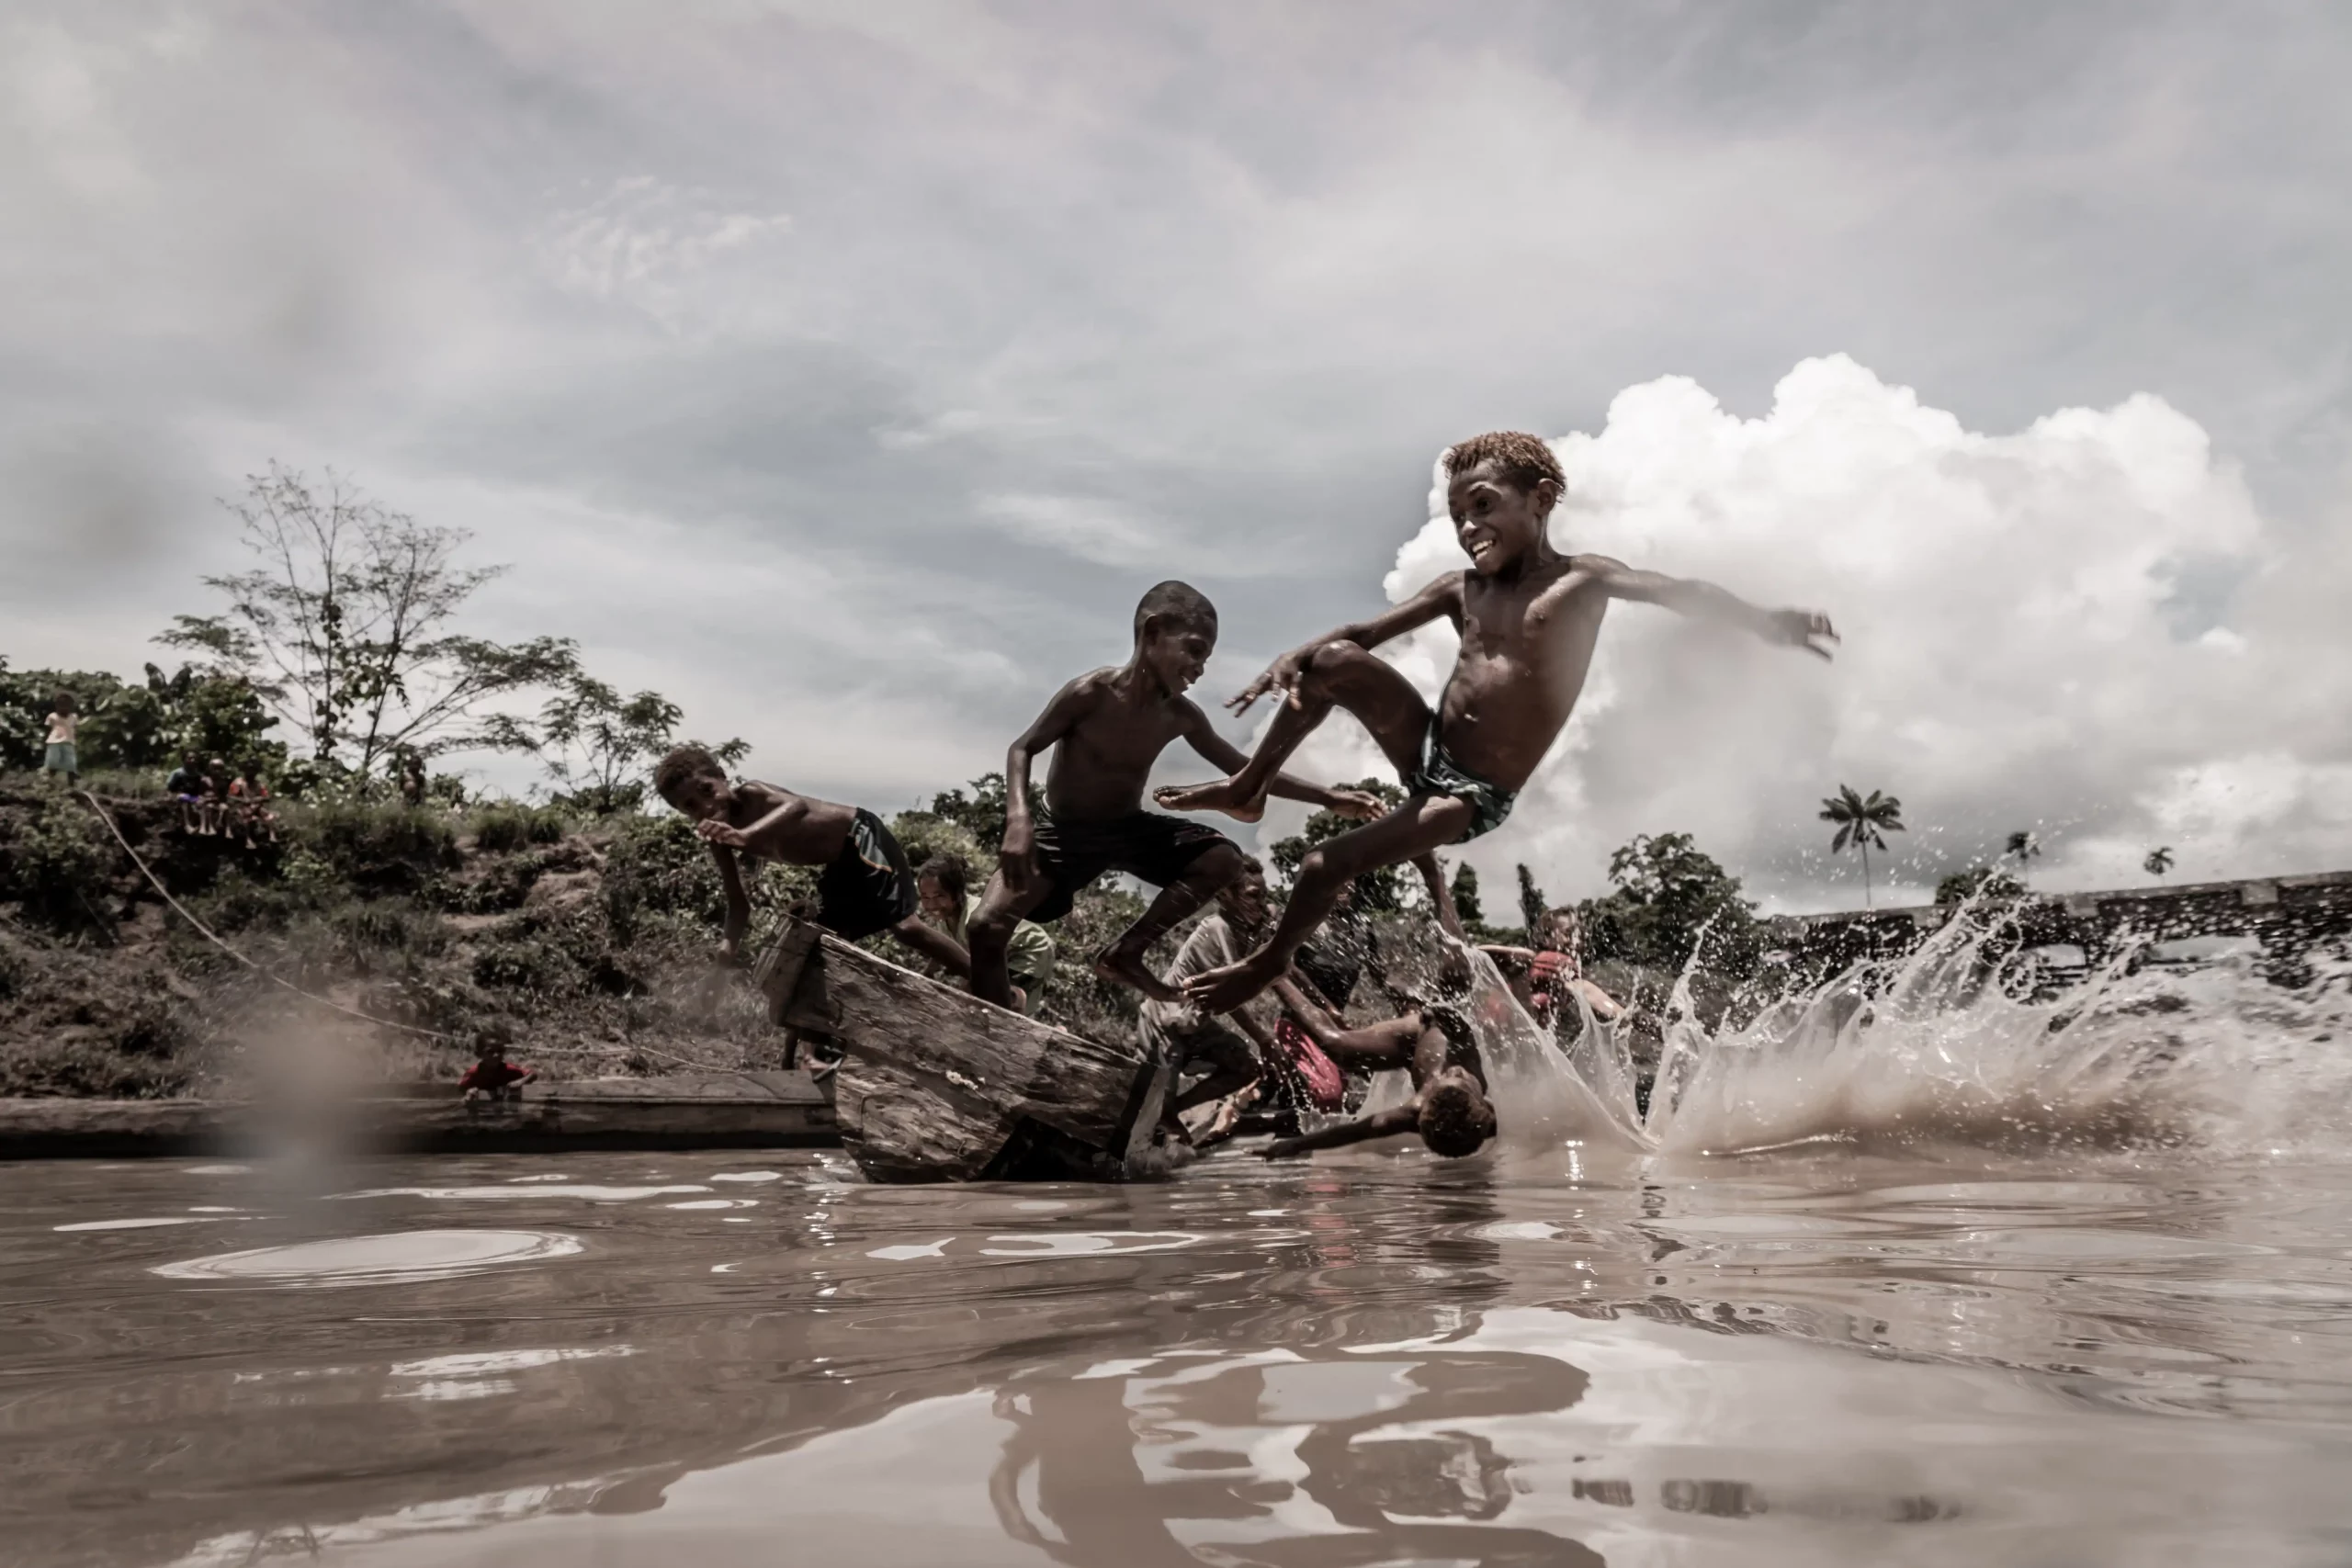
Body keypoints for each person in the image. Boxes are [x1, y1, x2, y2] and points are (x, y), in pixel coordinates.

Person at [1161, 431, 1837, 1011]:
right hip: (1425, 742)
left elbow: (1678, 591)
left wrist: (1763, 619)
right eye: (1457, 513)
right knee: (1333, 659)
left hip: (1469, 794)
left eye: (1482, 505)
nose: (1466, 526)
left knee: (1317, 866)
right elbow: (1365, 630)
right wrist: (1294, 658)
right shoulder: (1465, 588)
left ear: (1540, 499)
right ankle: (1251, 785)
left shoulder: (1582, 581)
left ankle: (1271, 960)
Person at [967, 580, 1382, 1009]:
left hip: (1125, 831)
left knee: (1222, 858)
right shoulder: (1091, 693)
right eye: (1195, 650)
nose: (1200, 668)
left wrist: (1329, 798)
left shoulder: (1179, 715)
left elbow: (1247, 769)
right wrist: (1019, 820)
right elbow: (1023, 747)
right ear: (1152, 634)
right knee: (985, 927)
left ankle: (1127, 952)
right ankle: (997, 1013)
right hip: (1063, 834)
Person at [650, 745, 968, 975]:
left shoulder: (753, 794)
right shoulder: (719, 842)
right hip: (839, 866)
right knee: (815, 947)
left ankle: (989, 983)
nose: (706, 806)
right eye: (691, 806)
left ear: (722, 777)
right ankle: (815, 1052)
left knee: (905, 928)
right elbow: (738, 905)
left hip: (860, 835)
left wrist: (746, 837)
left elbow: (797, 807)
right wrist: (725, 950)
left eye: (708, 790)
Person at [1264, 855, 1497, 1160]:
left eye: (1446, 1081)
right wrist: (1444, 1007)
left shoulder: (1413, 1113)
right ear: (1488, 1108)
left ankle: (1272, 972)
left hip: (1408, 1044)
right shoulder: (1489, 1115)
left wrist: (1295, 1145)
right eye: (1461, 1078)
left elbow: (1357, 1130)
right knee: (1455, 974)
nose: (1452, 1070)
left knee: (1338, 1049)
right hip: (1436, 1027)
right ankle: (1432, 872)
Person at [1135, 854, 1286, 1145]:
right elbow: (1231, 992)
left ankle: (1174, 1111)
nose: (1260, 904)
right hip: (1164, 1022)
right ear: (1226, 896)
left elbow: (1274, 971)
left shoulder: (1249, 930)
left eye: (1264, 896)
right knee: (1154, 1108)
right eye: (1253, 896)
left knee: (1246, 1068)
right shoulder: (1217, 927)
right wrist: (1264, 1038)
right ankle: (1164, 1123)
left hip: (1195, 1024)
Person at [912, 854, 1057, 1015]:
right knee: (992, 1006)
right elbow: (941, 951)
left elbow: (976, 970)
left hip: (1028, 950)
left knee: (997, 1004)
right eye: (925, 897)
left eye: (940, 896)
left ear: (958, 894)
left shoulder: (972, 919)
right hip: (1005, 952)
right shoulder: (946, 918)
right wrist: (925, 976)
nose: (932, 905)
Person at [1482, 907, 1622, 1032]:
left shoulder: (1559, 972)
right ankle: (1628, 1018)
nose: (1576, 941)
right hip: (1504, 1026)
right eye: (1569, 934)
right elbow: (1585, 990)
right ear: (1546, 938)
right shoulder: (1541, 961)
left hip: (1510, 1033)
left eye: (1579, 934)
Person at [459, 1041, 536, 1101]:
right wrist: (467, 1094)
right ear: (479, 1054)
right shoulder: (473, 1073)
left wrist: (521, 1081)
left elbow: (532, 1074)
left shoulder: (508, 1069)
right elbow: (460, 1089)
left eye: (500, 1051)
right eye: (490, 1052)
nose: (496, 1055)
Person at [228, 761, 280, 848]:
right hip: (242, 806)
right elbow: (230, 796)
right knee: (247, 818)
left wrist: (260, 798)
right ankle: (248, 839)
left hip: (257, 806)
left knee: (269, 815)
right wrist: (242, 799)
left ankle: (272, 836)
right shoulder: (238, 783)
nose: (251, 773)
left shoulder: (258, 784)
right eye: (249, 771)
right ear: (245, 771)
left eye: (253, 771)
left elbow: (267, 797)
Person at [41, 694, 78, 784]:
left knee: (71, 764)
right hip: (54, 742)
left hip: (68, 742)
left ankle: (71, 785)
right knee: (53, 763)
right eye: (61, 705)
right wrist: (45, 742)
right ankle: (48, 782)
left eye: (67, 705)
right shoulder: (52, 716)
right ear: (57, 705)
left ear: (71, 706)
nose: (64, 707)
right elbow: (47, 729)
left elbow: (75, 729)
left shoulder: (74, 717)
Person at [165, 750, 205, 834]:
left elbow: (200, 790)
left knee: (203, 803)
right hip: (179, 795)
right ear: (184, 760)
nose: (192, 760)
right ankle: (187, 825)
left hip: (193, 797)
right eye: (190, 758)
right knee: (185, 798)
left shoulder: (198, 775)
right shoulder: (177, 773)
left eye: (194, 758)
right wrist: (170, 797)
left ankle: (202, 826)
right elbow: (170, 788)